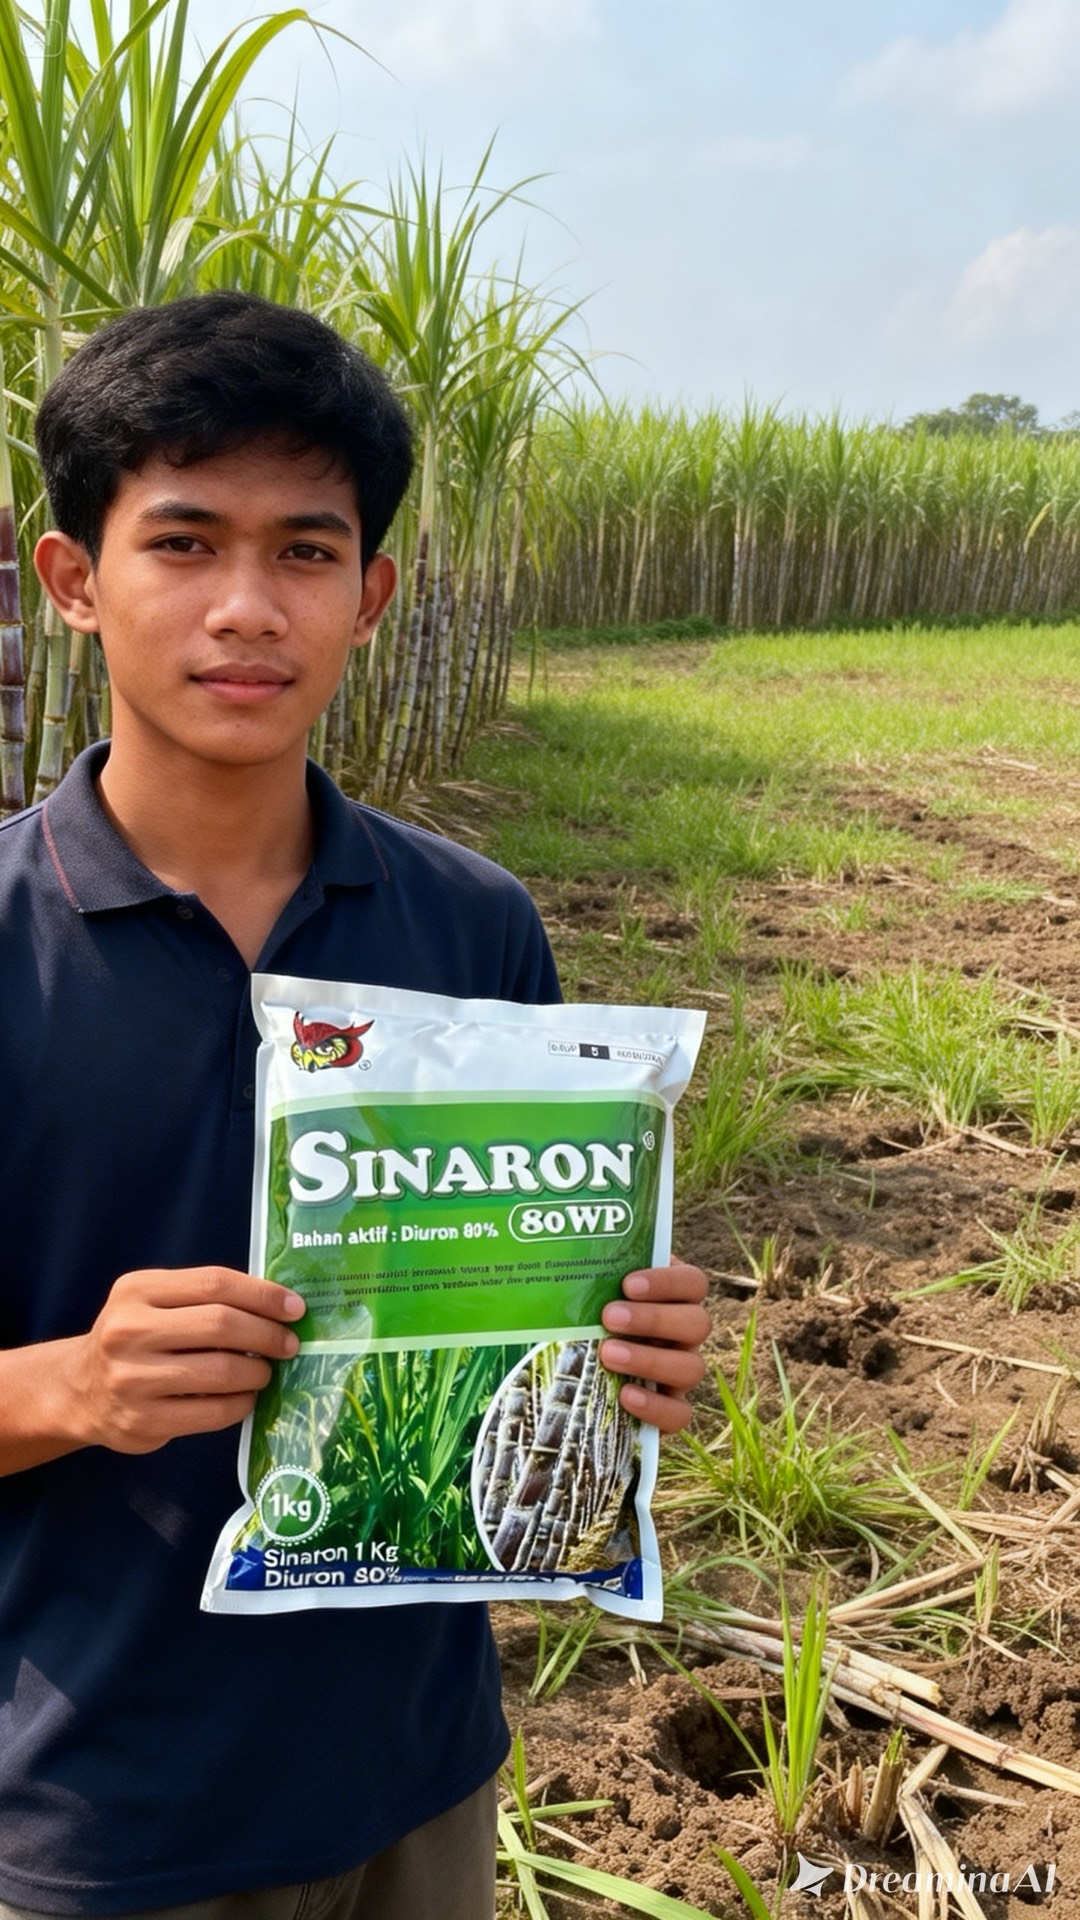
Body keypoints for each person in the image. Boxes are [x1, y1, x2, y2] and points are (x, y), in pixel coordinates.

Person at [0, 293, 710, 1920]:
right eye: (185, 543)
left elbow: (526, 1306)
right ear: (74, 581)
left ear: (370, 596)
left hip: (420, 1781)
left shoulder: (472, 926)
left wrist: (624, 1348)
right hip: (104, 1815)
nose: (248, 607)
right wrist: (73, 1385)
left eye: (306, 552)